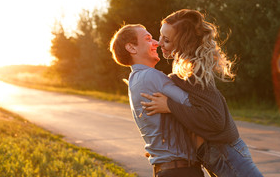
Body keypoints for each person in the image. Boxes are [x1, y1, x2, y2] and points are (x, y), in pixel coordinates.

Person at [141, 9, 264, 177]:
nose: (159, 42)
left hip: (225, 152)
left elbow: (215, 120)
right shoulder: (183, 70)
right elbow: (188, 118)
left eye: (167, 40)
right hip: (215, 153)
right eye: (160, 36)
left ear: (182, 43)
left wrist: (169, 105)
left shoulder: (193, 73)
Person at [109, 24, 207, 177]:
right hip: (181, 171)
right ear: (131, 48)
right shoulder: (150, 76)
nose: (156, 43)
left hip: (168, 170)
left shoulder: (136, 79)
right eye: (148, 39)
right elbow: (196, 106)